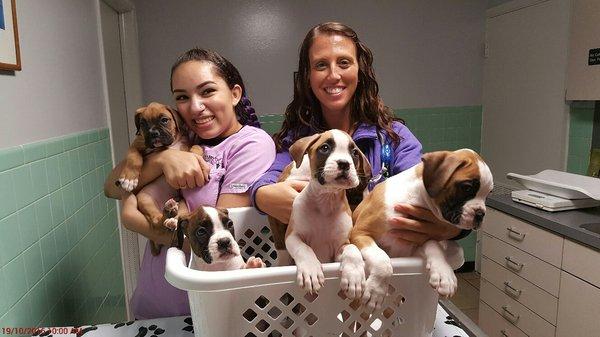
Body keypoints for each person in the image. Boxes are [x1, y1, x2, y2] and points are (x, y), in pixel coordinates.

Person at [250, 22, 469, 250]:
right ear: (307, 76)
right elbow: (268, 178)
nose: (334, 75)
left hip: (384, 271)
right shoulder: (300, 141)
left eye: (344, 62)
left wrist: (452, 227)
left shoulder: (393, 138)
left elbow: (425, 186)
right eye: (321, 65)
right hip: (315, 272)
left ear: (359, 70)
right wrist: (263, 195)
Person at [104, 48, 276, 319]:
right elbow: (113, 187)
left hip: (205, 306)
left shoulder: (251, 144)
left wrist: (134, 221)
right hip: (153, 299)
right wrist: (163, 161)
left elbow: (219, 240)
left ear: (235, 93)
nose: (195, 107)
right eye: (182, 97)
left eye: (207, 91)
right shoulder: (183, 140)